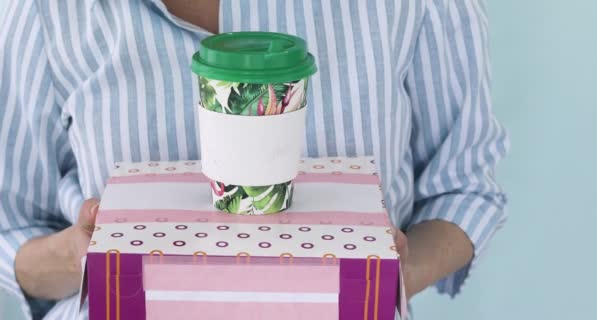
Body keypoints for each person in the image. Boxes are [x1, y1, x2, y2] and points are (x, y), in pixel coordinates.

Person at [0, 0, 509, 319]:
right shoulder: (46, 12)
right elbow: (12, 228)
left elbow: (463, 189)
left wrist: (377, 282)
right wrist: (87, 259)